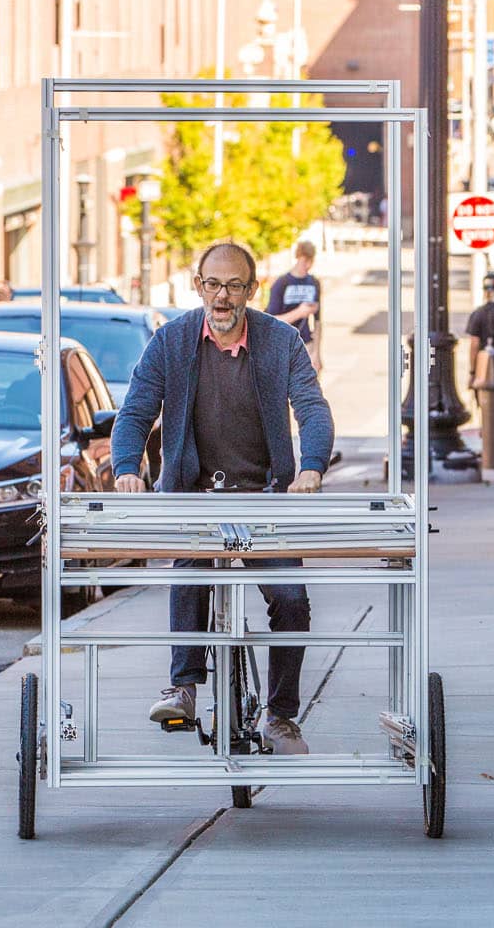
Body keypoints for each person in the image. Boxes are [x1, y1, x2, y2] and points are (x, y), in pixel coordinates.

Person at [111, 241, 334, 755]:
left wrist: (310, 469)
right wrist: (127, 469)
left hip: (266, 497)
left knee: (291, 599)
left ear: (252, 291)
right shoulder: (171, 342)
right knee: (190, 574)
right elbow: (136, 410)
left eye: (235, 285)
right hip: (193, 495)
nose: (223, 296)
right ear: (198, 286)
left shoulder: (281, 342)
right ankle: (184, 688)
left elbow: (312, 408)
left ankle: (281, 716)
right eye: (213, 284)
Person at [264, 240, 323, 371]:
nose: (307, 265)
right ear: (297, 257)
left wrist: (317, 354)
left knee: (306, 389)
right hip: (283, 346)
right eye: (304, 261)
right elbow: (271, 321)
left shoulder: (314, 283)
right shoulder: (282, 283)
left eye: (310, 261)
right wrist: (300, 312)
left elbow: (318, 322)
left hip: (306, 344)